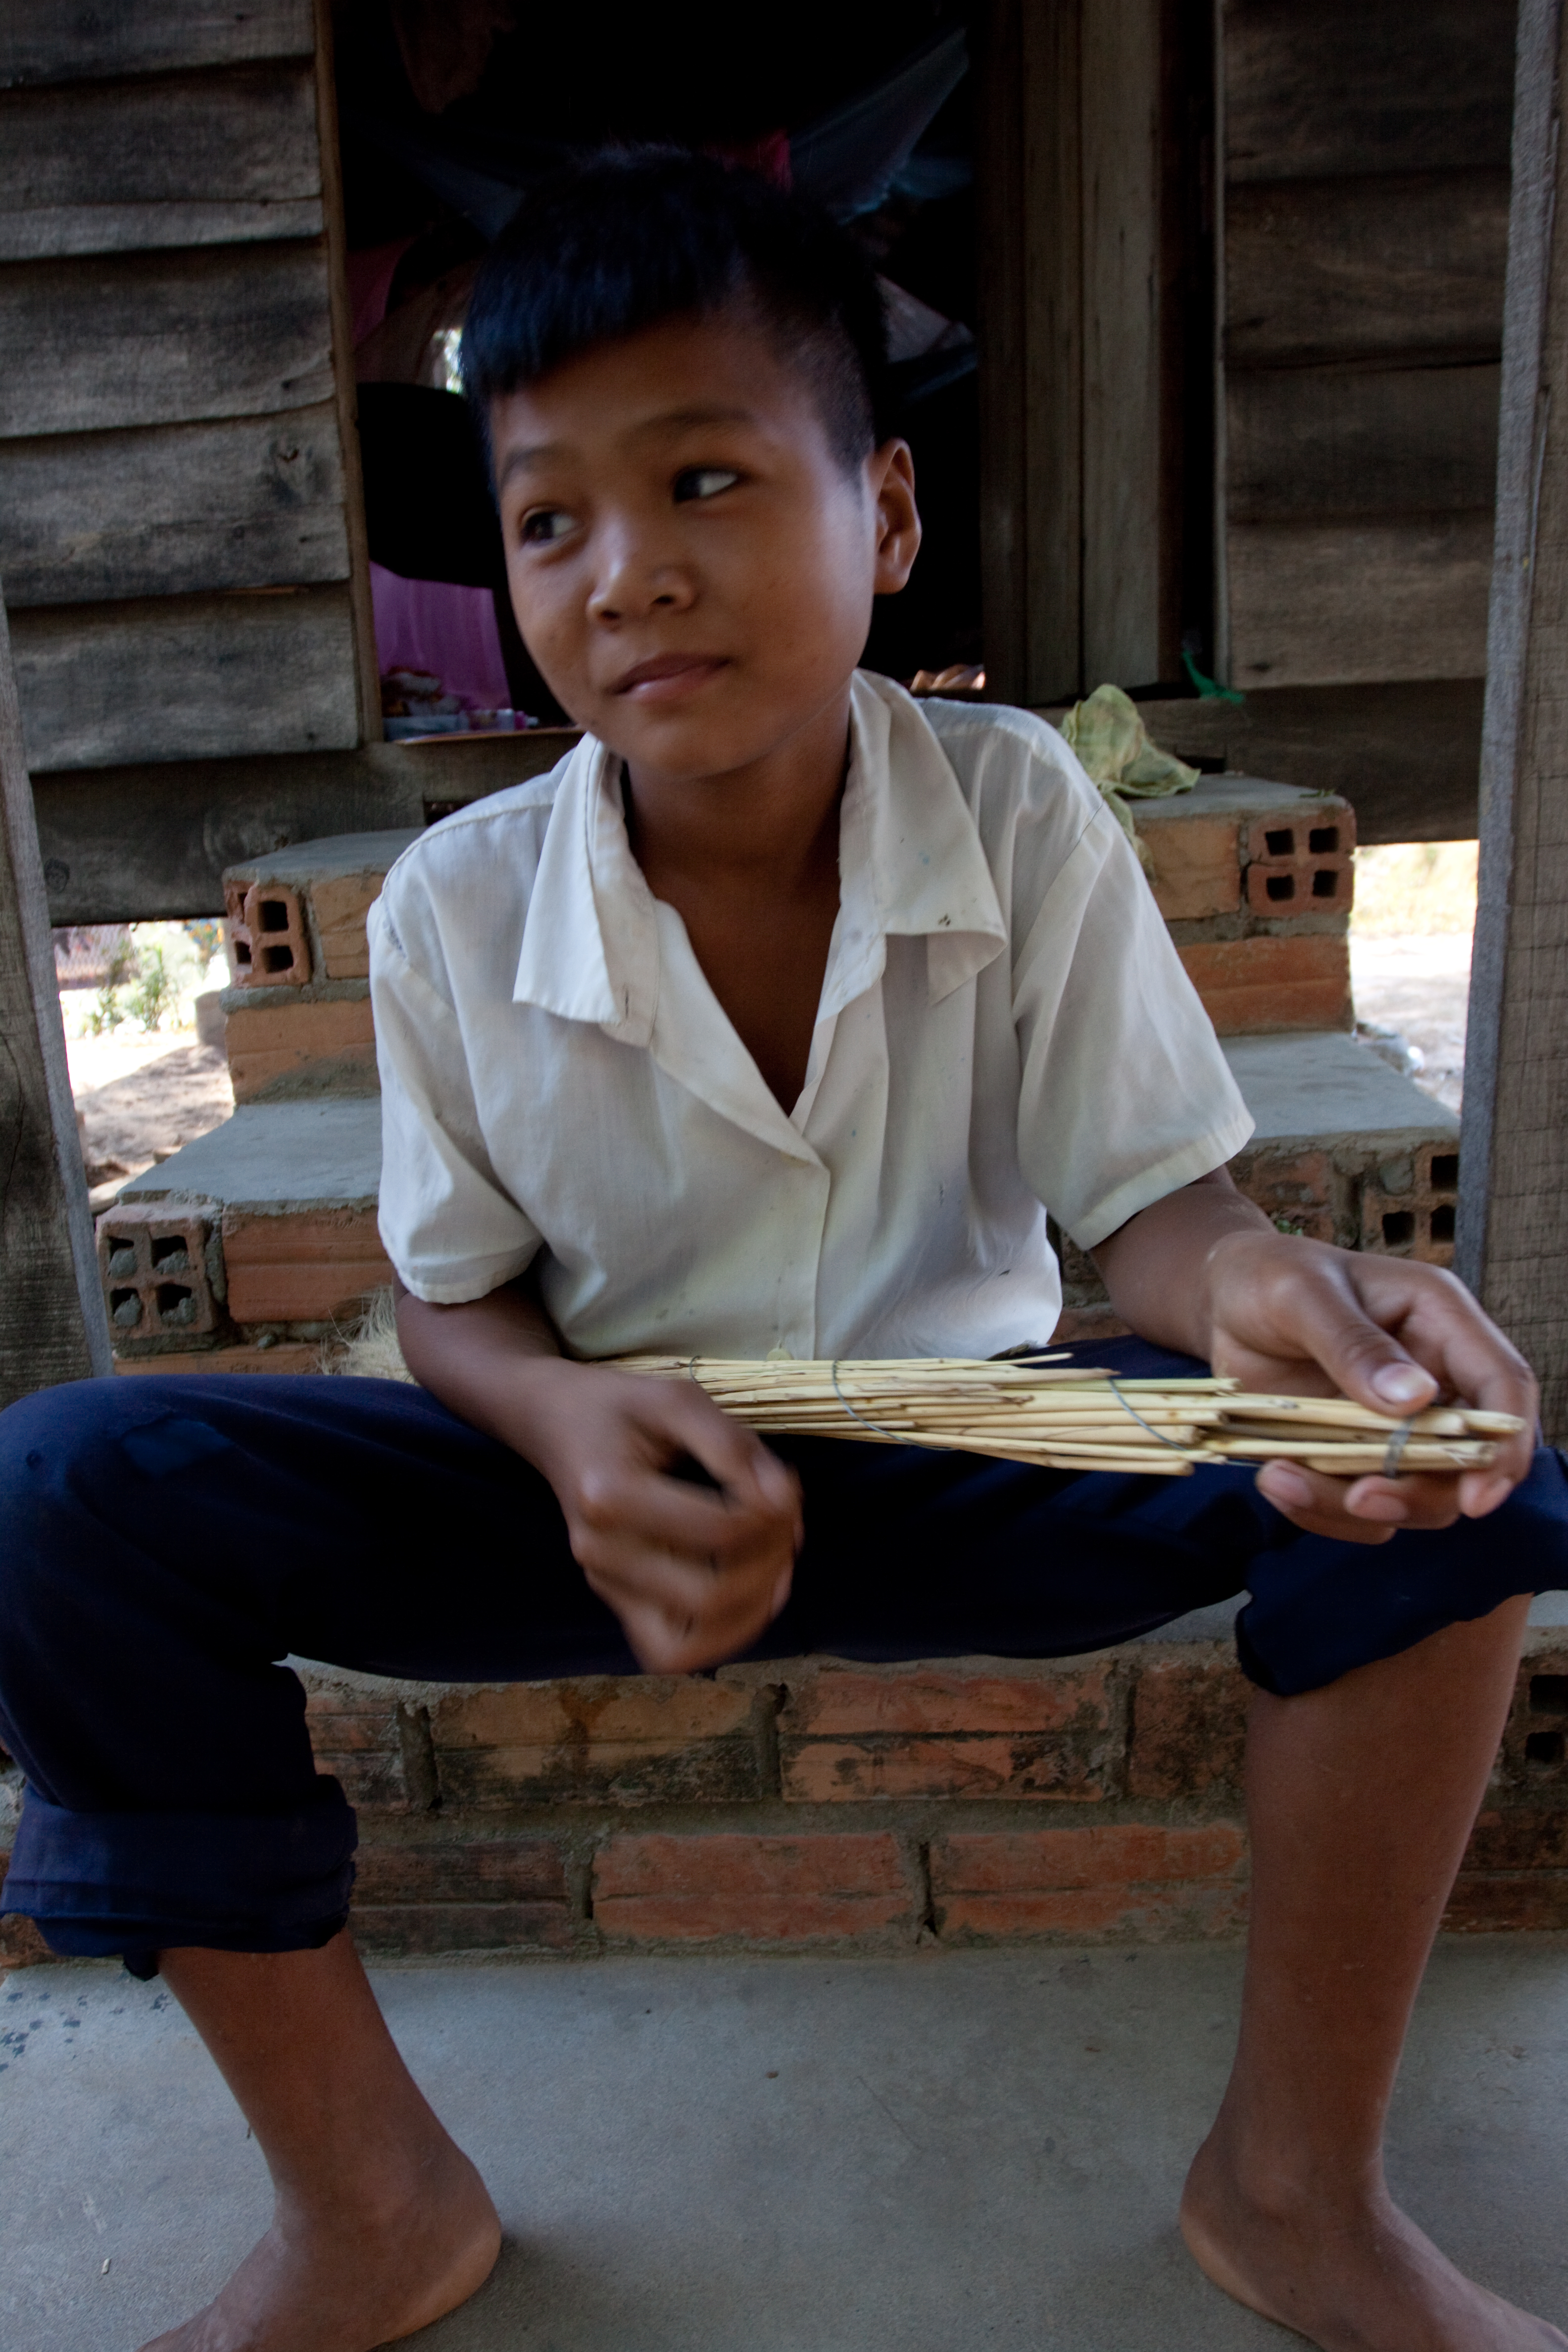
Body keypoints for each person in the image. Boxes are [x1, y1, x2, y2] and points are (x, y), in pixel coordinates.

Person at [0, 151, 1564, 2352]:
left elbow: (1150, 1210)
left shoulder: (1022, 813)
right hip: (605, 1494)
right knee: (64, 1499)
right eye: (551, 519)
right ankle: (369, 2209)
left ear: (889, 517)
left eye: (710, 477)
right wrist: (558, 1424)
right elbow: (452, 1297)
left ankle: (1297, 2189)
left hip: (982, 1447)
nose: (629, 573)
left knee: (1456, 1484)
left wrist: (1277, 1311)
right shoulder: (458, 910)